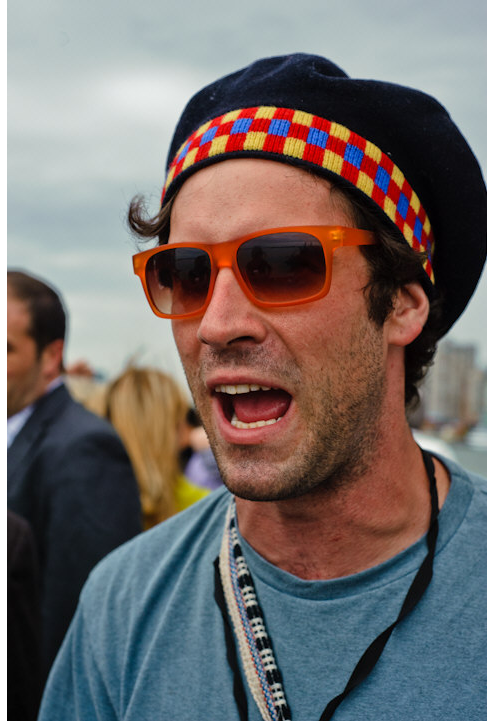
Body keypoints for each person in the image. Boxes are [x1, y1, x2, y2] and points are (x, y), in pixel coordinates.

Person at [40, 54, 487, 720]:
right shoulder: (124, 605)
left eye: (281, 264)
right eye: (188, 273)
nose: (217, 323)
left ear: (402, 303)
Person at [6, 270, 141, 680]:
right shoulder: (5, 431)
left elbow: (76, 618)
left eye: (6, 349)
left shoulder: (83, 448)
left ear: (50, 357)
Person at [96, 365, 209, 529]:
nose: (186, 432)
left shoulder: (94, 502)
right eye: (180, 419)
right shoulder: (204, 508)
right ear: (166, 430)